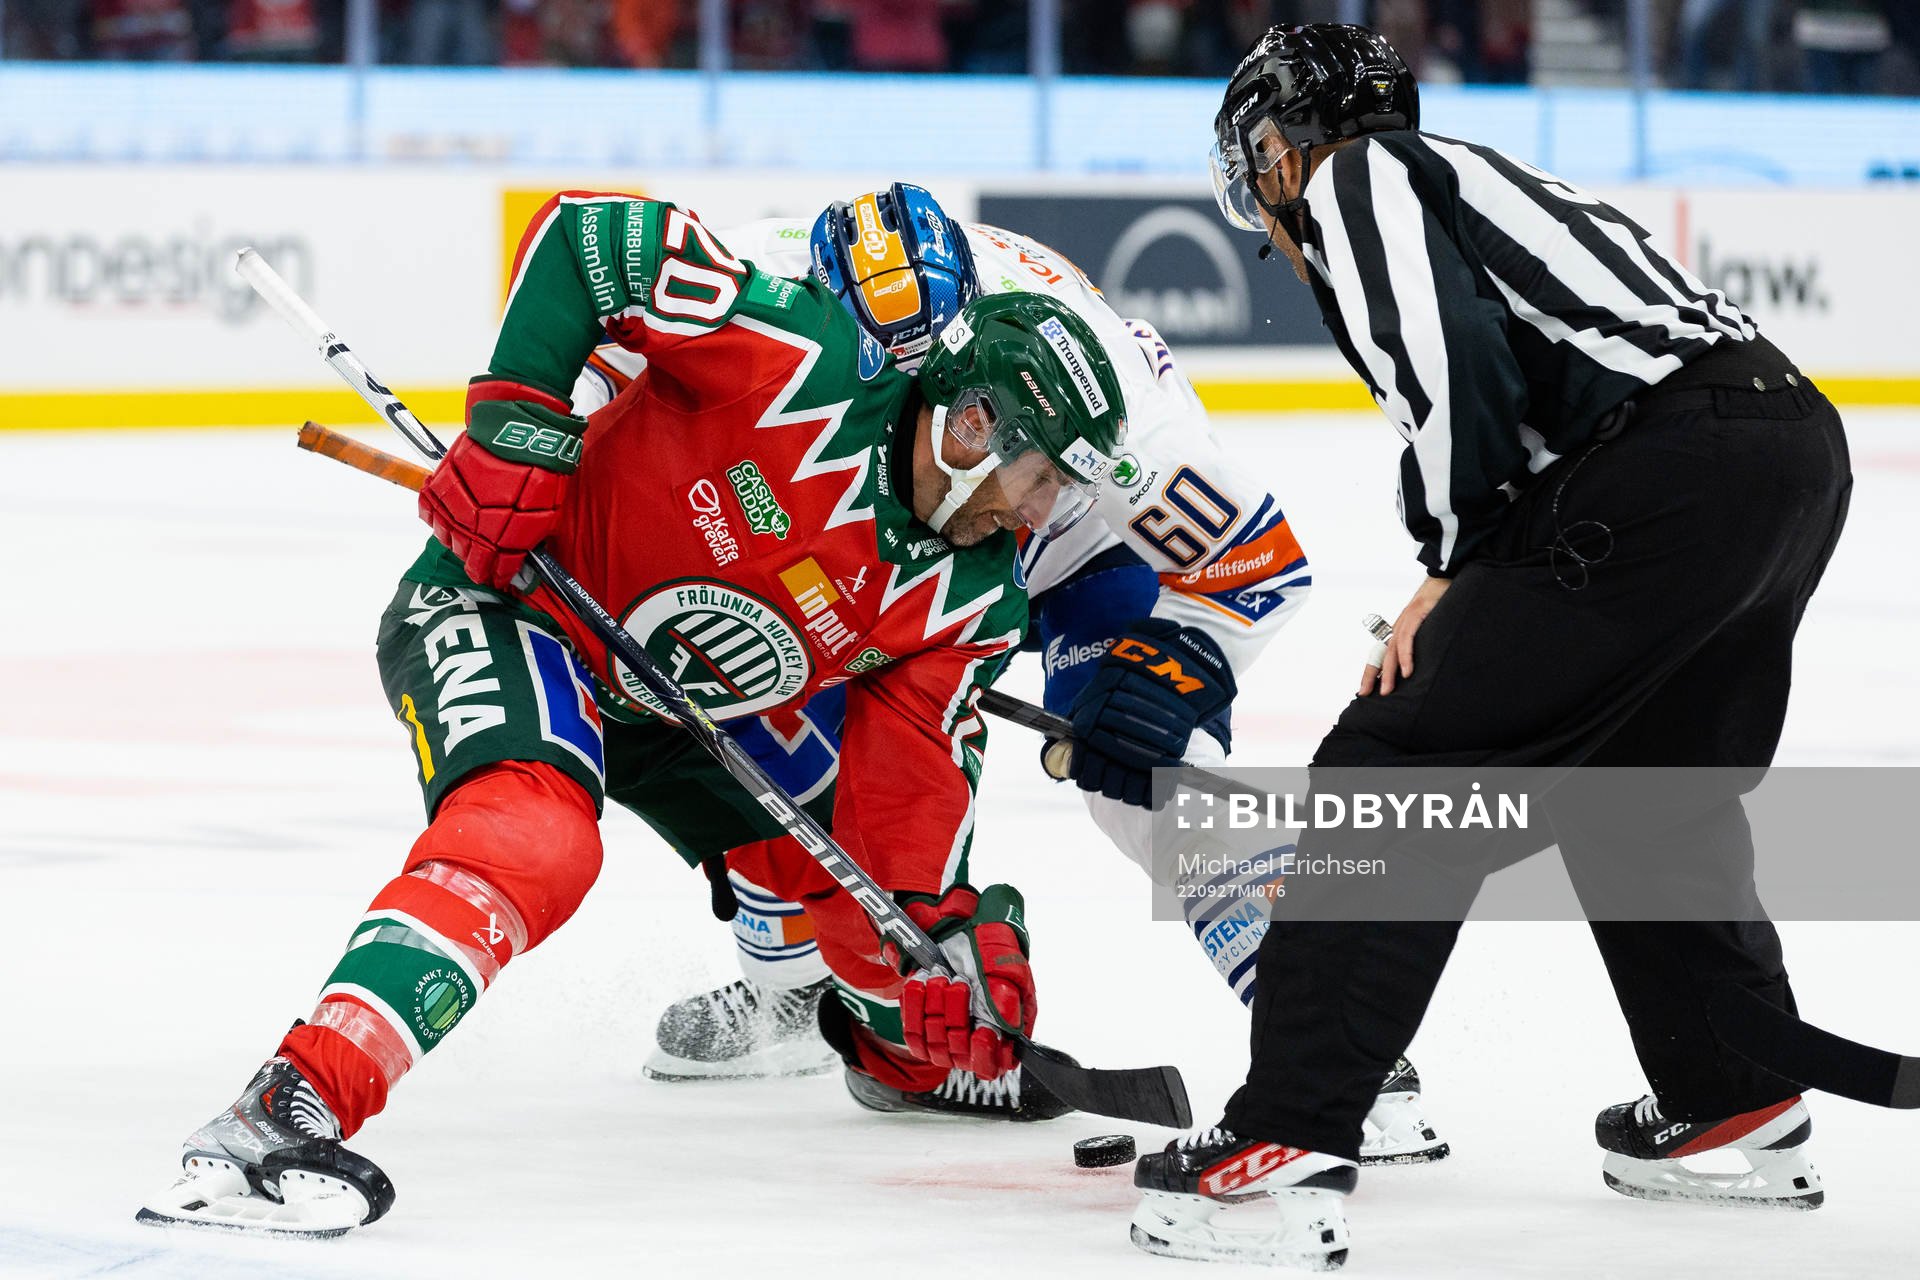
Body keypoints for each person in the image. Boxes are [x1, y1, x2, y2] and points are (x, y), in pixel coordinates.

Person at [137, 191, 1128, 1236]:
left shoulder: (972, 600)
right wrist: (516, 425)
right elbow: (585, 237)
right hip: (517, 604)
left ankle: (894, 1061)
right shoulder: (797, 352)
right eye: (1040, 477)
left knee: (885, 927)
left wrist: (944, 940)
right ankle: (285, 1108)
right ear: (975, 424)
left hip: (679, 709)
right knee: (536, 837)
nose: (1037, 513)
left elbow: (907, 793)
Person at [1128, 23, 1853, 1268]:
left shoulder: (1361, 176)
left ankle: (1289, 1127)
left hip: (1674, 471)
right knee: (1643, 788)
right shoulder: (1462, 172)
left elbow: (1453, 367)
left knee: (1390, 770)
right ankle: (1731, 1085)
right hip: (1784, 456)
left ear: (1279, 149)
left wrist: (1454, 562)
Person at [570, 183, 1444, 1161]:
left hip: (1074, 540)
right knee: (754, 676)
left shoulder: (1122, 427)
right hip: (870, 540)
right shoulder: (766, 273)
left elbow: (1256, 565)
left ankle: (1332, 1046)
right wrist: (538, 440)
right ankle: (797, 980)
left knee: (1154, 785)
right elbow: (602, 347)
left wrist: (1163, 679)